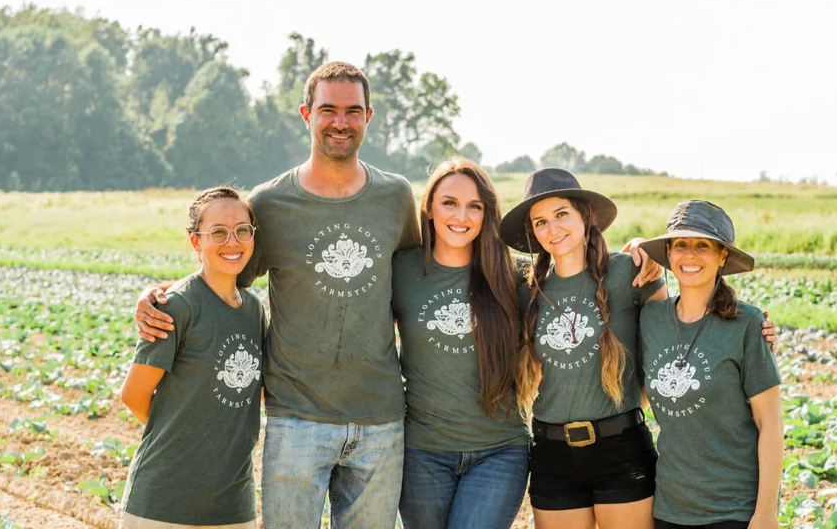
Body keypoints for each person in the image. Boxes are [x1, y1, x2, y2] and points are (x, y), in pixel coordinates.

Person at [134, 62, 421, 529]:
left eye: (352, 111)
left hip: (381, 419)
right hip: (295, 418)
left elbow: (414, 284)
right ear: (306, 115)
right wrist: (158, 295)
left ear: (369, 116)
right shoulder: (269, 203)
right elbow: (223, 277)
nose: (340, 122)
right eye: (328, 110)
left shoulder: (396, 196)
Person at [500, 168, 669, 529]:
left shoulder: (628, 273)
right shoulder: (526, 289)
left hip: (621, 447)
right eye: (540, 222)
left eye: (562, 214)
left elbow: (676, 328)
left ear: (586, 216)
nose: (552, 229)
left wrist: (750, 325)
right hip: (552, 453)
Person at [392, 158, 529, 529]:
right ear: (430, 208)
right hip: (422, 452)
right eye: (449, 202)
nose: (462, 215)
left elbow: (573, 284)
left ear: (487, 214)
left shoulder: (511, 275)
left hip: (499, 451)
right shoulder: (401, 269)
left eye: (475, 206)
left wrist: (633, 256)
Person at [119, 186, 265, 529]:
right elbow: (133, 395)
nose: (232, 241)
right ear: (196, 241)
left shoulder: (255, 310)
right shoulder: (175, 307)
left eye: (242, 230)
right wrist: (186, 442)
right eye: (217, 232)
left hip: (233, 504)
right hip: (164, 501)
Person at [638, 200, 783, 529]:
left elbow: (771, 425)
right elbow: (639, 394)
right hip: (669, 507)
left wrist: (766, 513)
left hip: (733, 510)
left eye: (702, 246)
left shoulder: (747, 324)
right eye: (680, 245)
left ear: (722, 257)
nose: (689, 255)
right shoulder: (651, 318)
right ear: (669, 255)